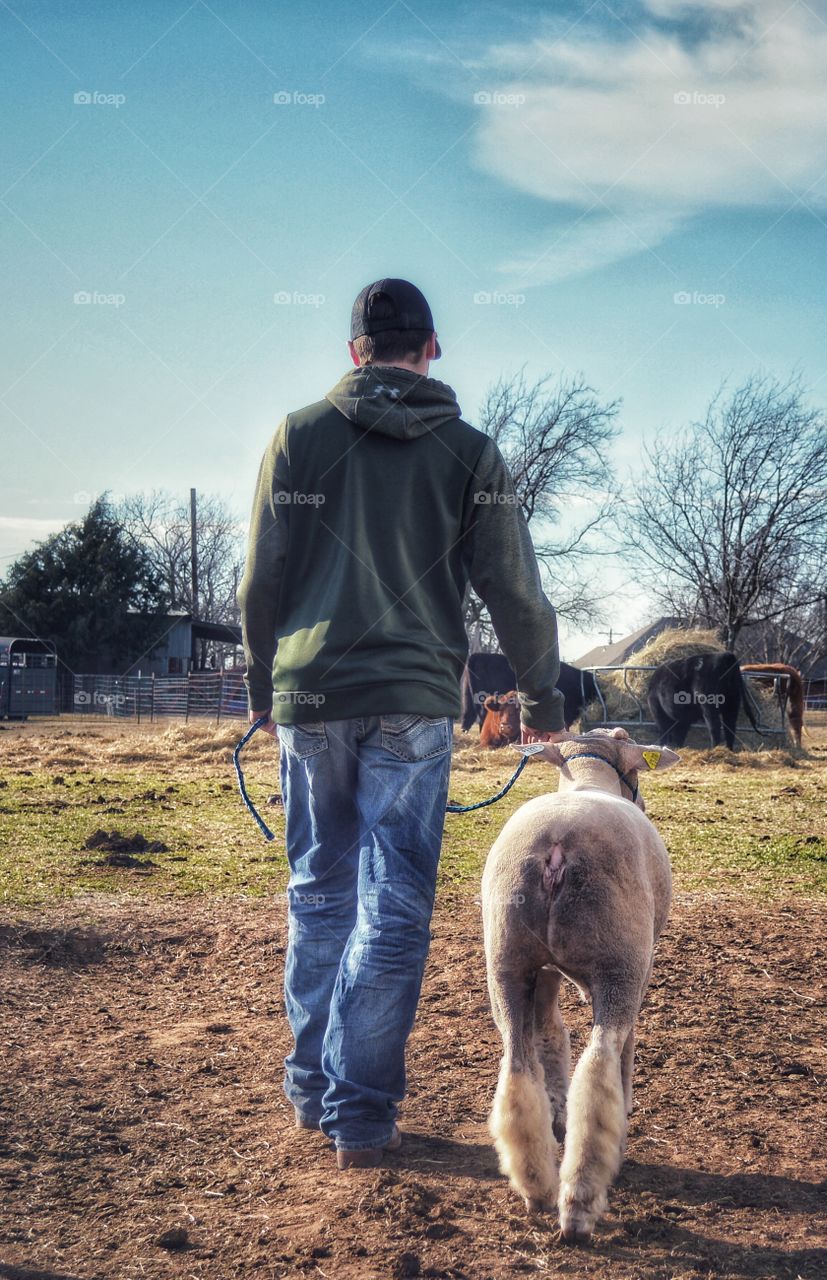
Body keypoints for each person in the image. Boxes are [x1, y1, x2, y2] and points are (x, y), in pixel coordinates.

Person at [237, 277, 568, 1170]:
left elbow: (260, 580)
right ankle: (360, 1112)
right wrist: (540, 705)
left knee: (318, 891)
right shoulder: (469, 453)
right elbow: (515, 592)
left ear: (354, 353)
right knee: (393, 909)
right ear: (432, 350)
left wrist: (267, 687)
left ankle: (313, 1087)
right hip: (415, 703)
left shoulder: (297, 437)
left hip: (312, 695)